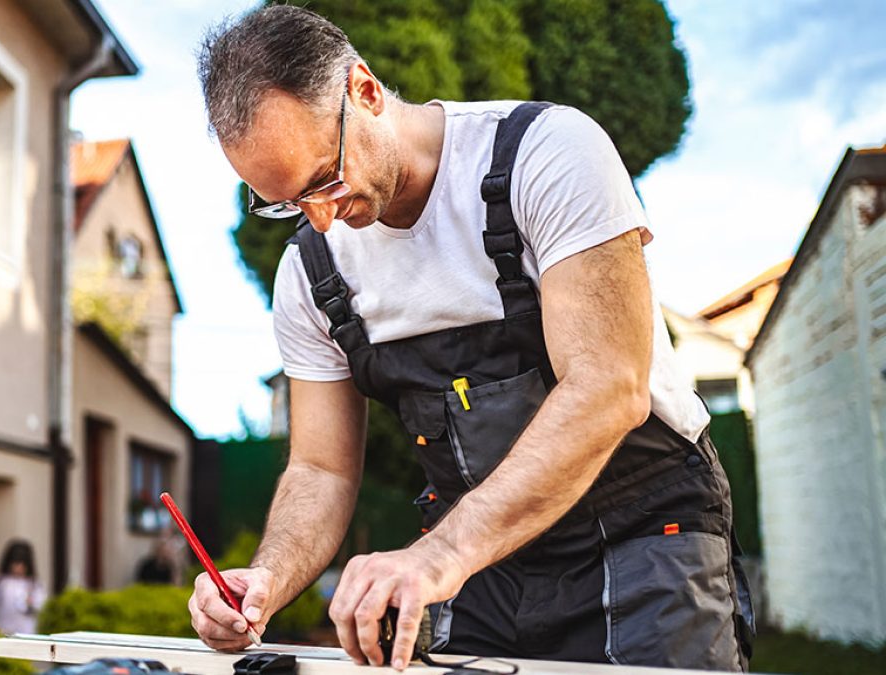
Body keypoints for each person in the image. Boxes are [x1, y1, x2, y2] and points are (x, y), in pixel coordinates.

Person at [187, 5, 755, 672]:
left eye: (323, 179)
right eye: (285, 202)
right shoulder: (310, 272)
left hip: (643, 531)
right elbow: (321, 467)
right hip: (483, 561)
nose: (319, 216)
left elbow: (609, 386)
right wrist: (266, 579)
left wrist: (439, 554)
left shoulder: (548, 154)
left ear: (365, 91)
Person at [0, 539, 47, 635]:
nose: (19, 568)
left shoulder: (33, 583)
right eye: (16, 564)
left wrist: (32, 602)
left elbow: (41, 604)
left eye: (22, 565)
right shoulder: (1, 582)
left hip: (27, 631)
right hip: (5, 629)